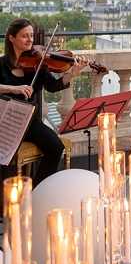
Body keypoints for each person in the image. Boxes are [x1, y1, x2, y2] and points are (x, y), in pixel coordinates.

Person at [0, 18, 87, 186]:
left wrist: (72, 73)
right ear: (11, 38)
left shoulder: (38, 63)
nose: (30, 40)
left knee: (56, 147)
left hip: (29, 121)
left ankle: (36, 190)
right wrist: (14, 89)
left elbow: (53, 86)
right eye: (25, 36)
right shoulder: (1, 64)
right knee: (5, 156)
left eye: (31, 35)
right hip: (6, 121)